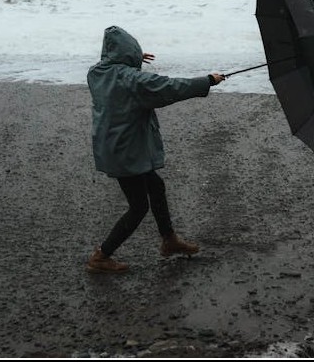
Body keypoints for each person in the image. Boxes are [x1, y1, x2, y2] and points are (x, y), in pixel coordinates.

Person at [85, 25, 226, 273]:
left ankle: (169, 240)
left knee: (156, 186)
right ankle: (101, 256)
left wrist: (133, 59)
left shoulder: (97, 73)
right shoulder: (131, 80)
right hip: (126, 151)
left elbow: (120, 73)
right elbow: (169, 87)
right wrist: (207, 81)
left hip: (114, 146)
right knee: (138, 207)